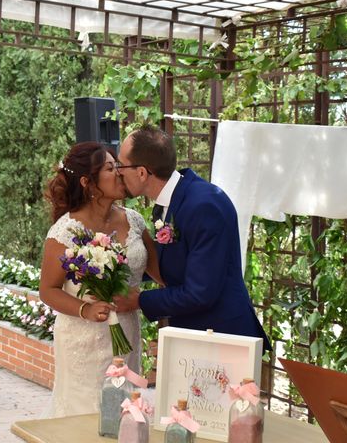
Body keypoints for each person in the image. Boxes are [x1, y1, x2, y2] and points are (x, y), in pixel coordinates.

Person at [113, 125, 271, 351]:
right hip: (196, 334)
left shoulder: (204, 205)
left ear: (141, 172)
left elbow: (200, 292)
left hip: (223, 337)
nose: (118, 172)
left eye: (121, 165)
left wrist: (139, 300)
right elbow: (175, 263)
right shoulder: (169, 203)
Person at [39, 141, 162, 418]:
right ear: (88, 182)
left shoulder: (134, 221)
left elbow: (161, 273)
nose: (119, 173)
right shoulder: (66, 231)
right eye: (110, 168)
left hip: (125, 334)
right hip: (83, 340)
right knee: (85, 416)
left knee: (124, 411)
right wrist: (85, 308)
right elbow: (48, 290)